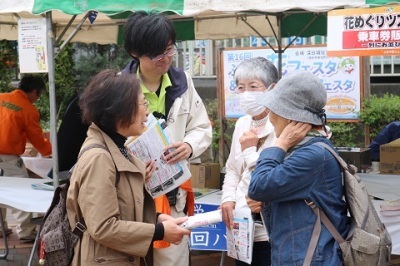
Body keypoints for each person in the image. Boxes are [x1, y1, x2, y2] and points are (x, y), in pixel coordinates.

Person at [66, 69, 191, 265]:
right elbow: (103, 227)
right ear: (121, 109)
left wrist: (157, 219)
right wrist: (159, 232)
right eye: (143, 103)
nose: (147, 111)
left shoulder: (119, 148)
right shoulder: (99, 157)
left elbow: (123, 211)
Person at [122, 11, 212, 266]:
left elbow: (202, 127)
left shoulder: (183, 82)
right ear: (134, 53)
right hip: (132, 202)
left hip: (173, 200)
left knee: (171, 260)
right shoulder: (119, 89)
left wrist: (189, 146)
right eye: (156, 54)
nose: (165, 59)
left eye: (169, 50)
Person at [247, 70, 350, 265]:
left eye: (274, 110)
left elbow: (258, 186)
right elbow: (267, 192)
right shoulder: (307, 150)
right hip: (303, 254)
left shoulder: (312, 155)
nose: (270, 117)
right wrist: (261, 205)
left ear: (291, 117)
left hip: (311, 258)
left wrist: (280, 144)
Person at [220, 57, 278, 266]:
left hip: (270, 229)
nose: (245, 94)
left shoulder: (282, 126)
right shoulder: (242, 123)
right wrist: (228, 199)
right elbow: (233, 169)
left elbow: (279, 177)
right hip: (241, 225)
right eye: (241, 87)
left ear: (272, 88)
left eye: (253, 87)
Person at [0, 75, 52, 241]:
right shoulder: (28, 109)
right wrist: (51, 152)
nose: (37, 99)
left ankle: (1, 228)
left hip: (5, 156)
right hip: (7, 157)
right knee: (21, 192)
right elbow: (37, 138)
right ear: (34, 92)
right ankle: (26, 231)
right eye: (38, 95)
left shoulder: (1, 97)